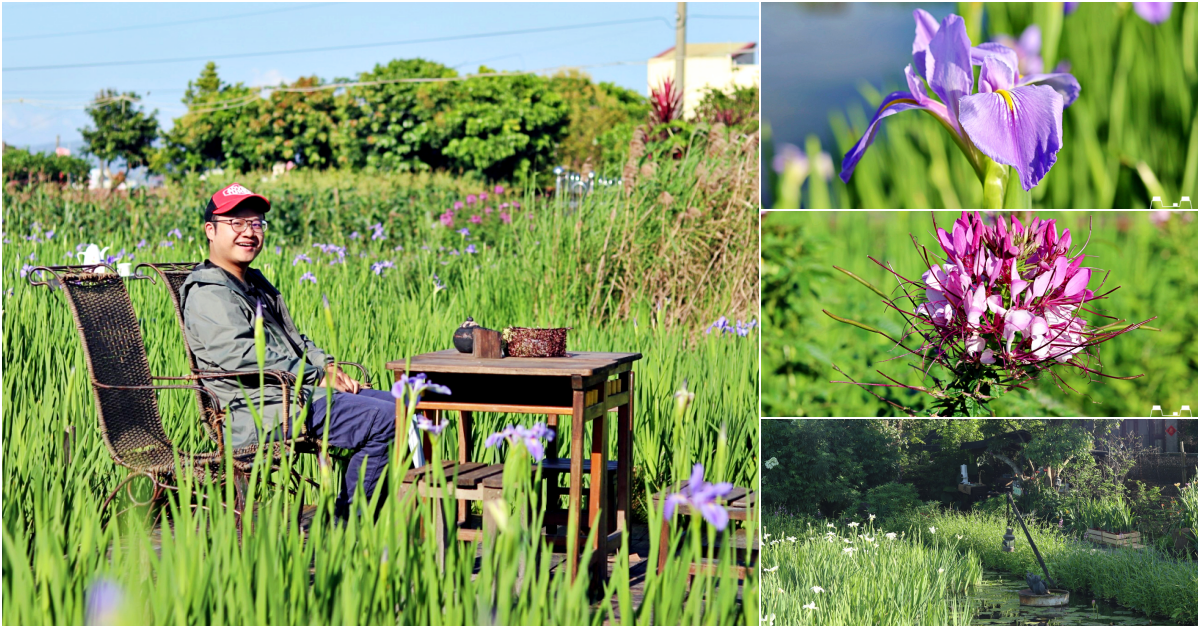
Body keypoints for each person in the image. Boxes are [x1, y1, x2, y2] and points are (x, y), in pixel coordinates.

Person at [180, 182, 415, 518]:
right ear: (211, 230)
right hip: (256, 411)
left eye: (256, 223)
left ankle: (386, 517)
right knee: (387, 420)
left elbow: (296, 340)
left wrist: (327, 366)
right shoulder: (210, 294)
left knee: (405, 407)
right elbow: (240, 356)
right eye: (237, 223)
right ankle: (350, 527)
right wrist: (316, 376)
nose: (248, 232)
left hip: (290, 396)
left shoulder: (251, 285)